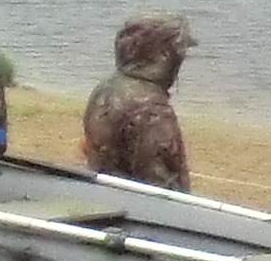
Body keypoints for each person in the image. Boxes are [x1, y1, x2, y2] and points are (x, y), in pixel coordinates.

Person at [80, 13, 196, 189]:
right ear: (164, 55)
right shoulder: (151, 110)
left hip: (105, 193)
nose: (181, 61)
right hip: (139, 207)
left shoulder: (105, 88)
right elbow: (163, 188)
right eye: (179, 53)